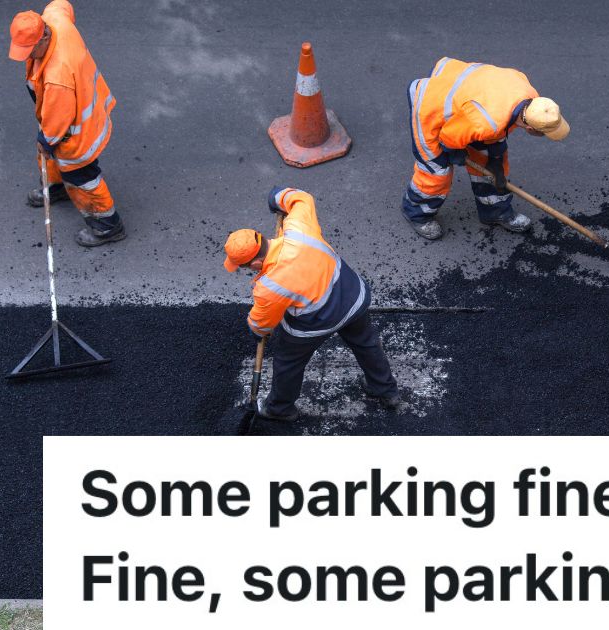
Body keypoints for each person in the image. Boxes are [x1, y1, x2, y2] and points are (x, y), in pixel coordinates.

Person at [224, 187, 401, 421]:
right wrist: (276, 197)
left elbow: (262, 323)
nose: (246, 270)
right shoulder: (298, 229)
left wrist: (256, 331)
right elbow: (301, 198)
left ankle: (279, 409)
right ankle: (386, 391)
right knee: (366, 344)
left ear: (256, 263)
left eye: (244, 267)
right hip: (351, 298)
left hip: (317, 322)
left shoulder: (269, 287)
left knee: (288, 362)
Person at [402, 57, 570, 240]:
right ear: (529, 127)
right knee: (436, 171)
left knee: (490, 161)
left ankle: (494, 211)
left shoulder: (531, 96)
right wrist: (453, 151)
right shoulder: (487, 122)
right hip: (432, 107)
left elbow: (497, 127)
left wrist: (495, 162)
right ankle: (416, 213)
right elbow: (448, 137)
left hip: (469, 104)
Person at [8, 0, 124, 247]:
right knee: (49, 155)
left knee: (82, 176)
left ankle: (107, 225)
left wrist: (47, 139)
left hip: (77, 131)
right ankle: (56, 187)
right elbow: (62, 4)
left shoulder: (57, 75)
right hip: (73, 110)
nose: (26, 56)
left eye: (29, 49)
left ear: (43, 37)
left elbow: (58, 119)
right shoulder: (54, 18)